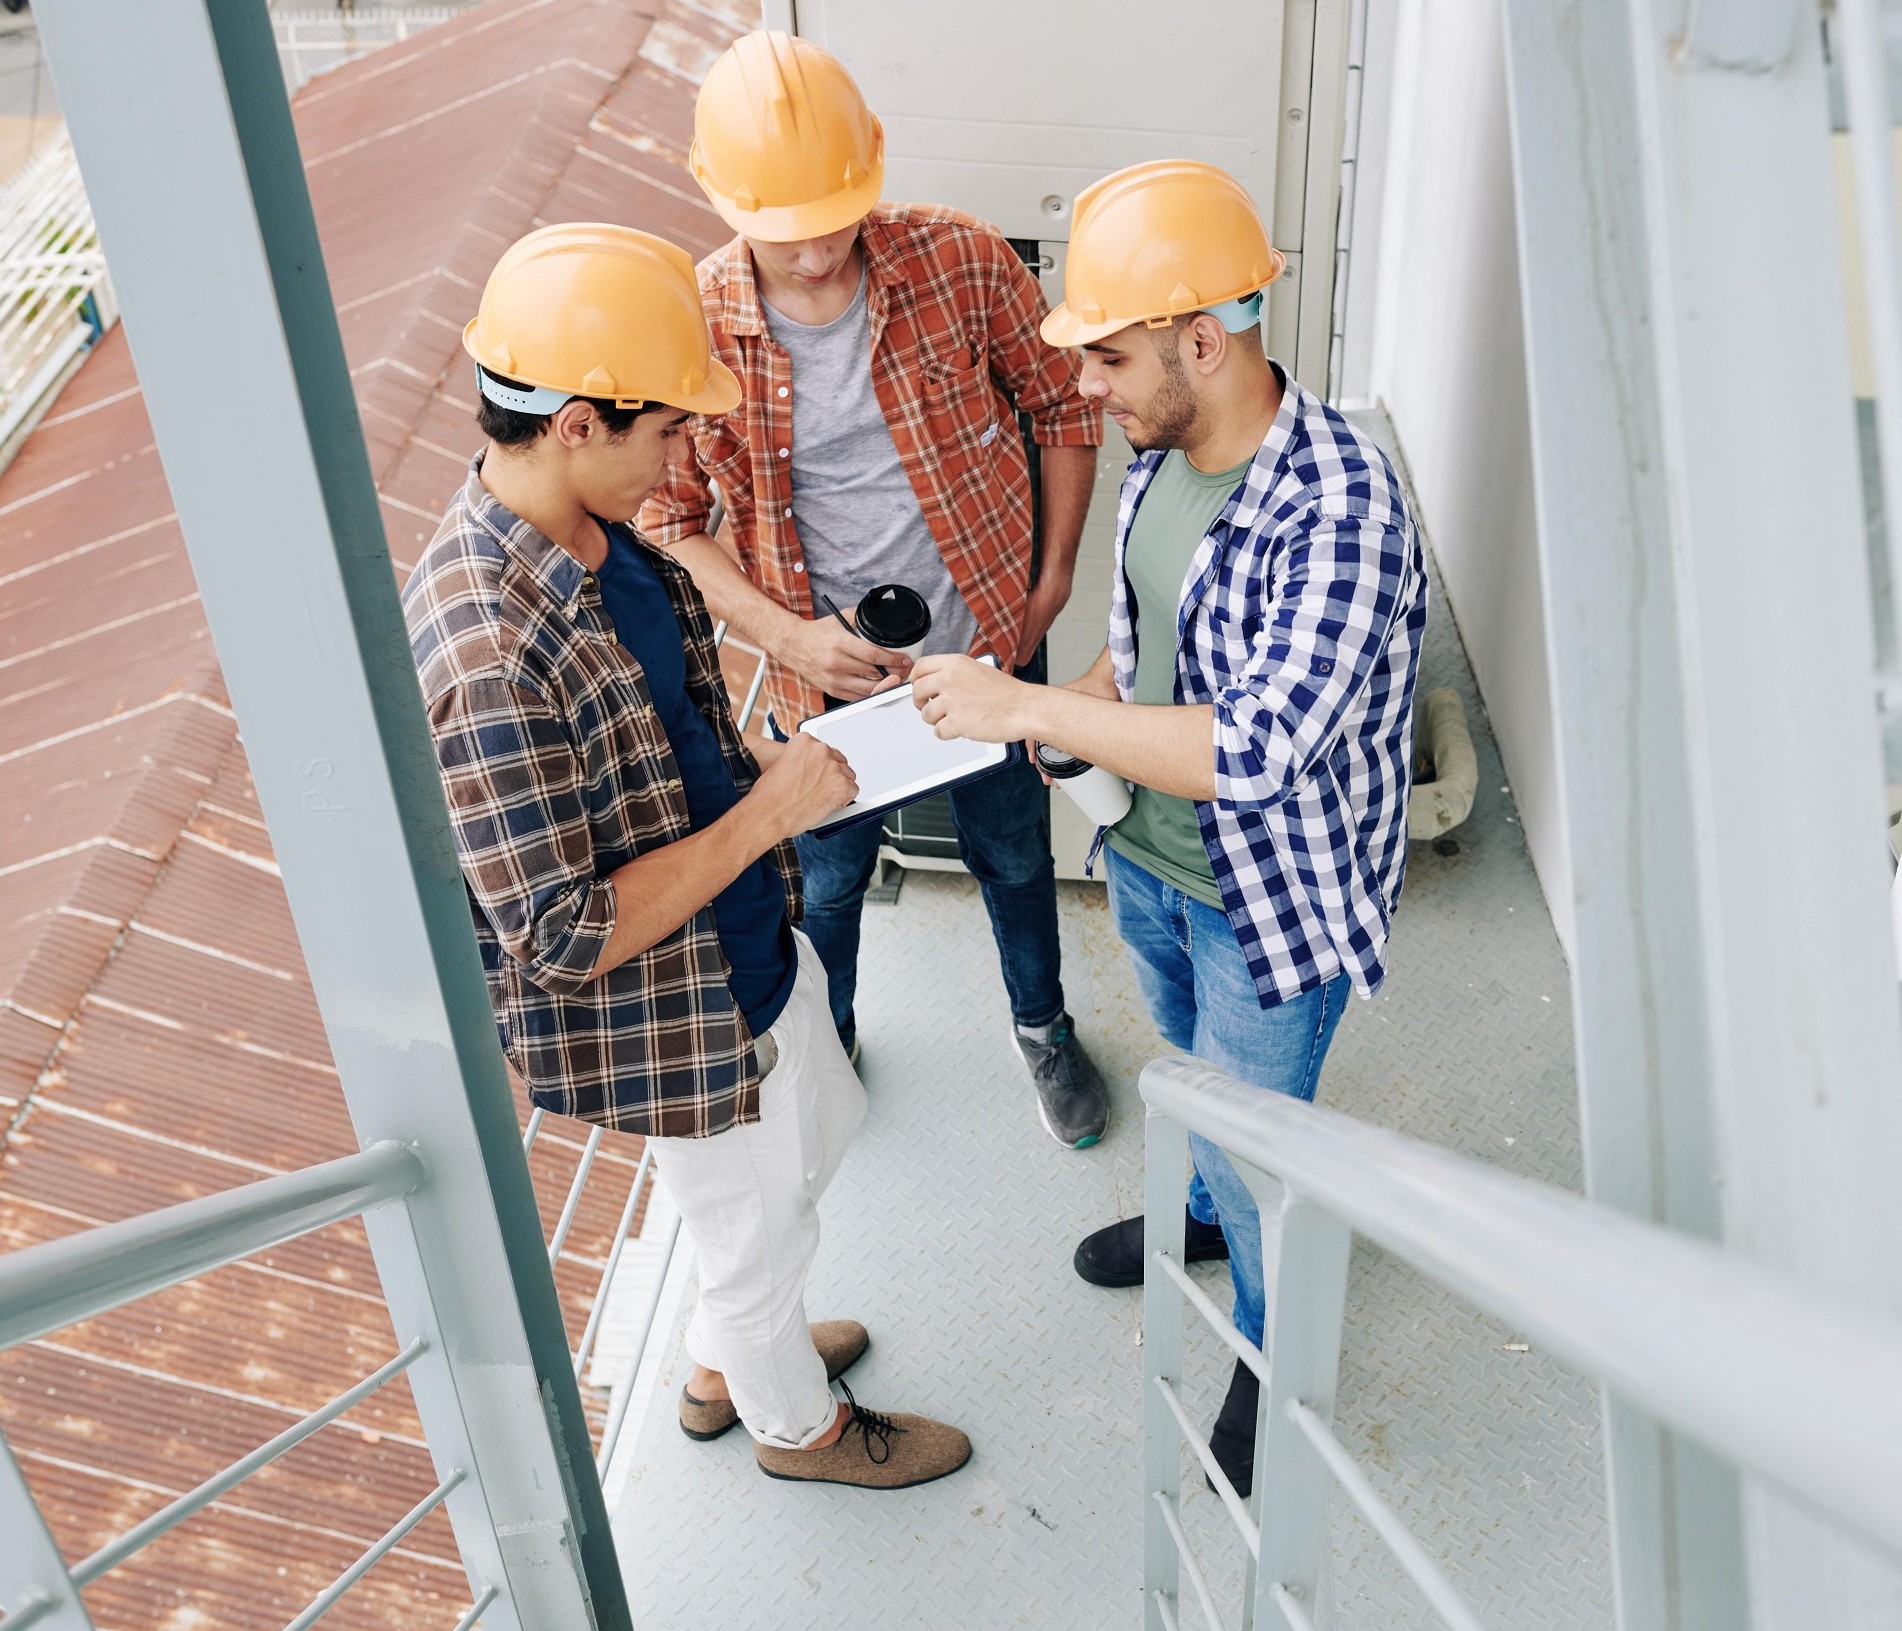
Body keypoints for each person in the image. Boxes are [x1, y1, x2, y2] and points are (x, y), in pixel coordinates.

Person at [403, 223, 970, 1489]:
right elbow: (559, 937)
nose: (686, 451)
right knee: (755, 1226)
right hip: (677, 1015)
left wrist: (765, 776)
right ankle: (795, 1425)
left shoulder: (603, 537)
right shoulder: (482, 651)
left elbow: (663, 740)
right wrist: (769, 820)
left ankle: (728, 1348)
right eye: (665, 428)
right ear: (575, 423)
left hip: (750, 939)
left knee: (813, 1134)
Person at [909, 161, 1428, 1494]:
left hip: (1266, 903)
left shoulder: (1341, 509)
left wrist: (1026, 697)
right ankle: (1196, 1214)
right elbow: (1144, 661)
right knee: (1185, 1067)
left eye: (1107, 357)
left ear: (1203, 340)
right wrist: (1070, 706)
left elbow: (1250, 747)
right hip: (1144, 857)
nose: (1083, 388)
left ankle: (1266, 1347)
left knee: (1262, 1152)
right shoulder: (1164, 454)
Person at [637, 32, 1111, 1149]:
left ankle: (1041, 1025)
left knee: (1009, 850)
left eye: (834, 219)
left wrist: (1049, 582)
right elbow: (669, 520)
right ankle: (826, 1051)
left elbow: (1061, 405)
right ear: (717, 196)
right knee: (829, 882)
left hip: (991, 647)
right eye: (781, 230)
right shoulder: (692, 322)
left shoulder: (961, 259)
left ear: (875, 169)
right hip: (824, 686)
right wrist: (789, 641)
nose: (811, 257)